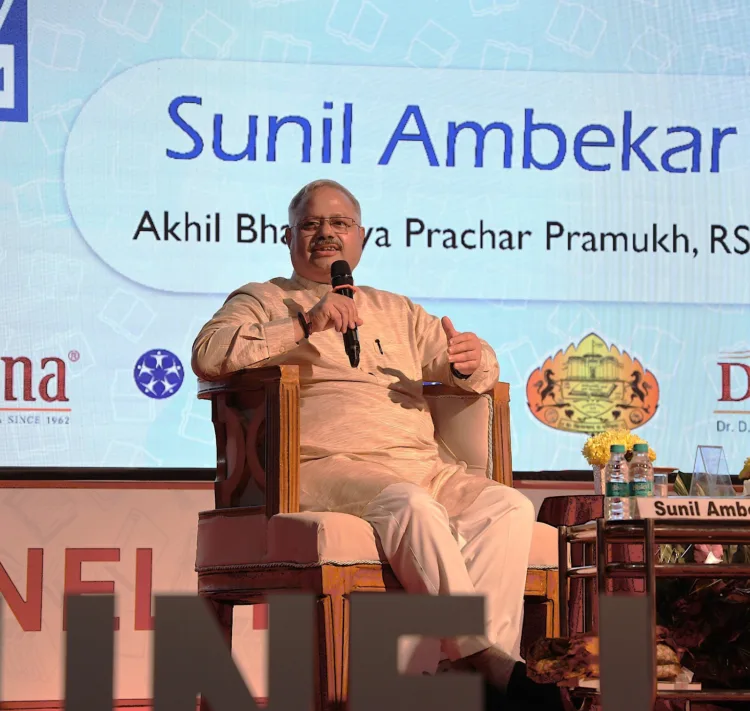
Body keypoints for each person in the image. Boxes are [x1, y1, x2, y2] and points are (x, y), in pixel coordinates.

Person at [192, 179, 563, 710]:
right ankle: (486, 662)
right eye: (312, 224)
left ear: (361, 238)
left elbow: (471, 370)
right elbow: (208, 354)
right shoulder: (263, 299)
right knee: (411, 505)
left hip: (419, 463)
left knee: (505, 506)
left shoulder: (399, 310)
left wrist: (475, 360)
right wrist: (304, 323)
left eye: (340, 224)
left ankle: (470, 671)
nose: (326, 233)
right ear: (288, 237)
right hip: (322, 465)